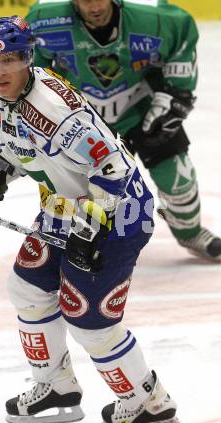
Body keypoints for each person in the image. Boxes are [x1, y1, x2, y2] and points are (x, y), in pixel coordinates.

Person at [0, 15, 180, 423]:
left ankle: (149, 404)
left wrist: (91, 228)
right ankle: (56, 386)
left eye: (9, 60)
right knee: (28, 288)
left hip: (118, 214)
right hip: (63, 208)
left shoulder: (56, 109)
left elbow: (113, 168)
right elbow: (17, 148)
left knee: (90, 319)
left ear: (27, 58)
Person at [25, 0, 221, 261]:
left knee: (176, 177)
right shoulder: (44, 19)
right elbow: (32, 75)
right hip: (81, 117)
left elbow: (181, 36)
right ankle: (79, 238)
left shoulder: (154, 17)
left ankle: (191, 233)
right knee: (77, 188)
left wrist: (174, 97)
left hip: (140, 107)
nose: (94, 6)